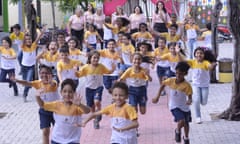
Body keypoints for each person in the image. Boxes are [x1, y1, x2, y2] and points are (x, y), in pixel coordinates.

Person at [12, 65, 59, 144]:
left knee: (58, 131)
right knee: (45, 131)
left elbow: (52, 84)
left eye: (46, 73)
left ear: (50, 74)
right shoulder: (38, 83)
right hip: (44, 111)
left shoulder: (54, 82)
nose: (44, 75)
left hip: (56, 111)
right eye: (42, 73)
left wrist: (50, 81)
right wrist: (17, 80)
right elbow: (27, 83)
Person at [35, 78, 90, 144]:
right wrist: (37, 97)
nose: (67, 94)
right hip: (57, 139)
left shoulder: (77, 106)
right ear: (61, 92)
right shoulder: (56, 105)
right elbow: (42, 105)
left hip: (72, 140)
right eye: (64, 91)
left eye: (70, 92)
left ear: (74, 93)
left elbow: (88, 111)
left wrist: (80, 105)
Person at [152, 61, 192, 144]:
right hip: (174, 106)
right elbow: (162, 85)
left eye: (180, 74)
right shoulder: (171, 80)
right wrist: (157, 96)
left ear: (185, 74)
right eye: (176, 73)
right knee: (181, 121)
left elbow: (190, 96)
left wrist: (189, 100)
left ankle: (186, 137)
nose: (178, 76)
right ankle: (177, 131)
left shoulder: (187, 85)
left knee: (186, 124)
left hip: (184, 107)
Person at [75, 51, 116, 129]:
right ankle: (96, 119)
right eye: (94, 58)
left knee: (96, 101)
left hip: (98, 87)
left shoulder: (101, 67)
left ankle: (99, 111)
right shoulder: (86, 67)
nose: (96, 59)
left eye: (97, 58)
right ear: (90, 58)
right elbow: (78, 75)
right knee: (91, 108)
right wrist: (75, 70)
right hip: (89, 89)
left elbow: (108, 72)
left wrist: (113, 69)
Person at [186, 47, 217, 124]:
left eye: (201, 53)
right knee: (196, 101)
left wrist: (213, 64)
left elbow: (210, 67)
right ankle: (198, 117)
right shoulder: (192, 62)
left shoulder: (206, 62)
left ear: (204, 55)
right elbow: (183, 60)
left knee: (204, 102)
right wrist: (178, 52)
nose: (199, 55)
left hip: (205, 86)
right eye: (197, 53)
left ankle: (199, 101)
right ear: (195, 55)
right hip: (195, 85)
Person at [21, 29, 44, 102]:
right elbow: (23, 40)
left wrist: (41, 32)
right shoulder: (23, 46)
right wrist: (24, 34)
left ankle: (25, 94)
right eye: (27, 39)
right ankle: (26, 87)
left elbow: (37, 39)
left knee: (28, 81)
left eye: (30, 39)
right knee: (25, 82)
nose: (28, 40)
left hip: (31, 67)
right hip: (23, 67)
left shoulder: (34, 45)